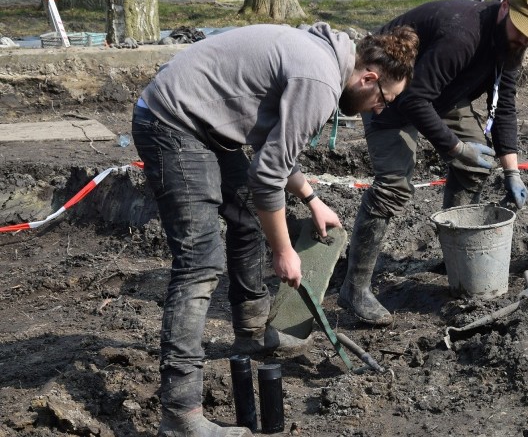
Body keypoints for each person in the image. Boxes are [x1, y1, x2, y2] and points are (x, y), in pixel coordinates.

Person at [132, 22, 418, 437]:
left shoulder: (322, 59)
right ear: (369, 77)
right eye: (383, 99)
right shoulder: (319, 80)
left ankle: (251, 334)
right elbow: (268, 176)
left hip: (202, 120)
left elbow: (271, 145)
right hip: (172, 122)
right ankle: (180, 415)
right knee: (199, 263)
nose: (379, 109)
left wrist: (311, 198)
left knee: (246, 214)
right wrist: (283, 251)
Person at [338, 0, 528, 326]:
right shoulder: (462, 36)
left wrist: (511, 171)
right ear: (504, 7)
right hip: (389, 92)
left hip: (439, 94)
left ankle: (455, 253)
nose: (523, 39)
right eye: (519, 29)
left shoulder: (512, 46)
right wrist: (456, 148)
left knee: (478, 167)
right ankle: (355, 289)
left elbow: (504, 107)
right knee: (394, 185)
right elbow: (412, 98)